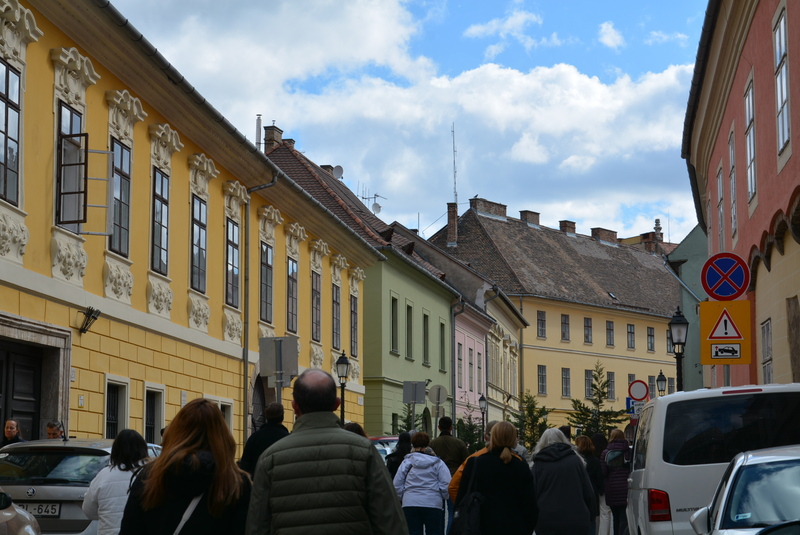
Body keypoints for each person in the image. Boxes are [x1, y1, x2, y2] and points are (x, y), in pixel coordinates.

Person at [246, 369, 407, 535]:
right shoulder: (364, 451)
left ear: (295, 406)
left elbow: (257, 525)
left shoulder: (270, 458)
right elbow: (389, 520)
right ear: (337, 404)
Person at [120, 398, 251, 535]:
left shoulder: (149, 477)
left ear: (175, 431)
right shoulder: (236, 483)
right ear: (223, 436)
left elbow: (130, 529)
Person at [455, 421, 536, 535]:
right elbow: (530, 504)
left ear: (492, 437)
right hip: (513, 527)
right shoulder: (521, 466)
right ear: (514, 439)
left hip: (479, 526)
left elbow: (461, 497)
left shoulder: (475, 463)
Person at [83, 429, 150, 535]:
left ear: (116, 450)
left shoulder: (103, 475)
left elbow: (88, 511)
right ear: (143, 449)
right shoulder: (149, 475)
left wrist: (106, 514)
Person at [531, 428, 594, 535]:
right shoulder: (575, 460)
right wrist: (591, 515)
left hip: (547, 520)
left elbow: (533, 494)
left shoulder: (538, 464)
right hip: (576, 519)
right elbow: (588, 491)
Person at [393, 432, 451, 535]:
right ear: (428, 443)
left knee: (413, 532)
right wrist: (442, 496)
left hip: (410, 502)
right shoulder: (438, 463)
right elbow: (446, 483)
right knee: (434, 532)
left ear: (413, 444)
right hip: (433, 503)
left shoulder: (407, 462)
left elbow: (397, 484)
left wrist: (403, 497)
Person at [429, 416, 468, 529]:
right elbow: (466, 462)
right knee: (452, 512)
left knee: (439, 513)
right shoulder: (459, 443)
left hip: (436, 481)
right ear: (451, 427)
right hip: (454, 480)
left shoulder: (433, 444)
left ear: (439, 427)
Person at [447, 420, 499, 501]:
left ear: (485, 437)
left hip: (480, 510)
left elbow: (453, 487)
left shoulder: (474, 458)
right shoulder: (517, 459)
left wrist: (464, 506)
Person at [238, 403, 289, 476]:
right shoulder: (287, 438)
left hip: (258, 482)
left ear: (266, 417)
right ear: (282, 417)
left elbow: (245, 464)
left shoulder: (254, 438)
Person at [601, 429, 631, 535]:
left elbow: (604, 473)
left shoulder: (606, 453)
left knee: (615, 517)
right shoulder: (628, 452)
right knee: (624, 517)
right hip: (625, 487)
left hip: (612, 488)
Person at [575, 435, 601, 535]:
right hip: (592, 492)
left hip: (579, 492)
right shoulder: (595, 461)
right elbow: (599, 479)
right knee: (591, 520)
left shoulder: (575, 461)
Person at [592, 432, 612, 535]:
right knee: (605, 512)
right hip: (605, 486)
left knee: (596, 514)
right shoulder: (607, 453)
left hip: (594, 487)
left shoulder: (592, 454)